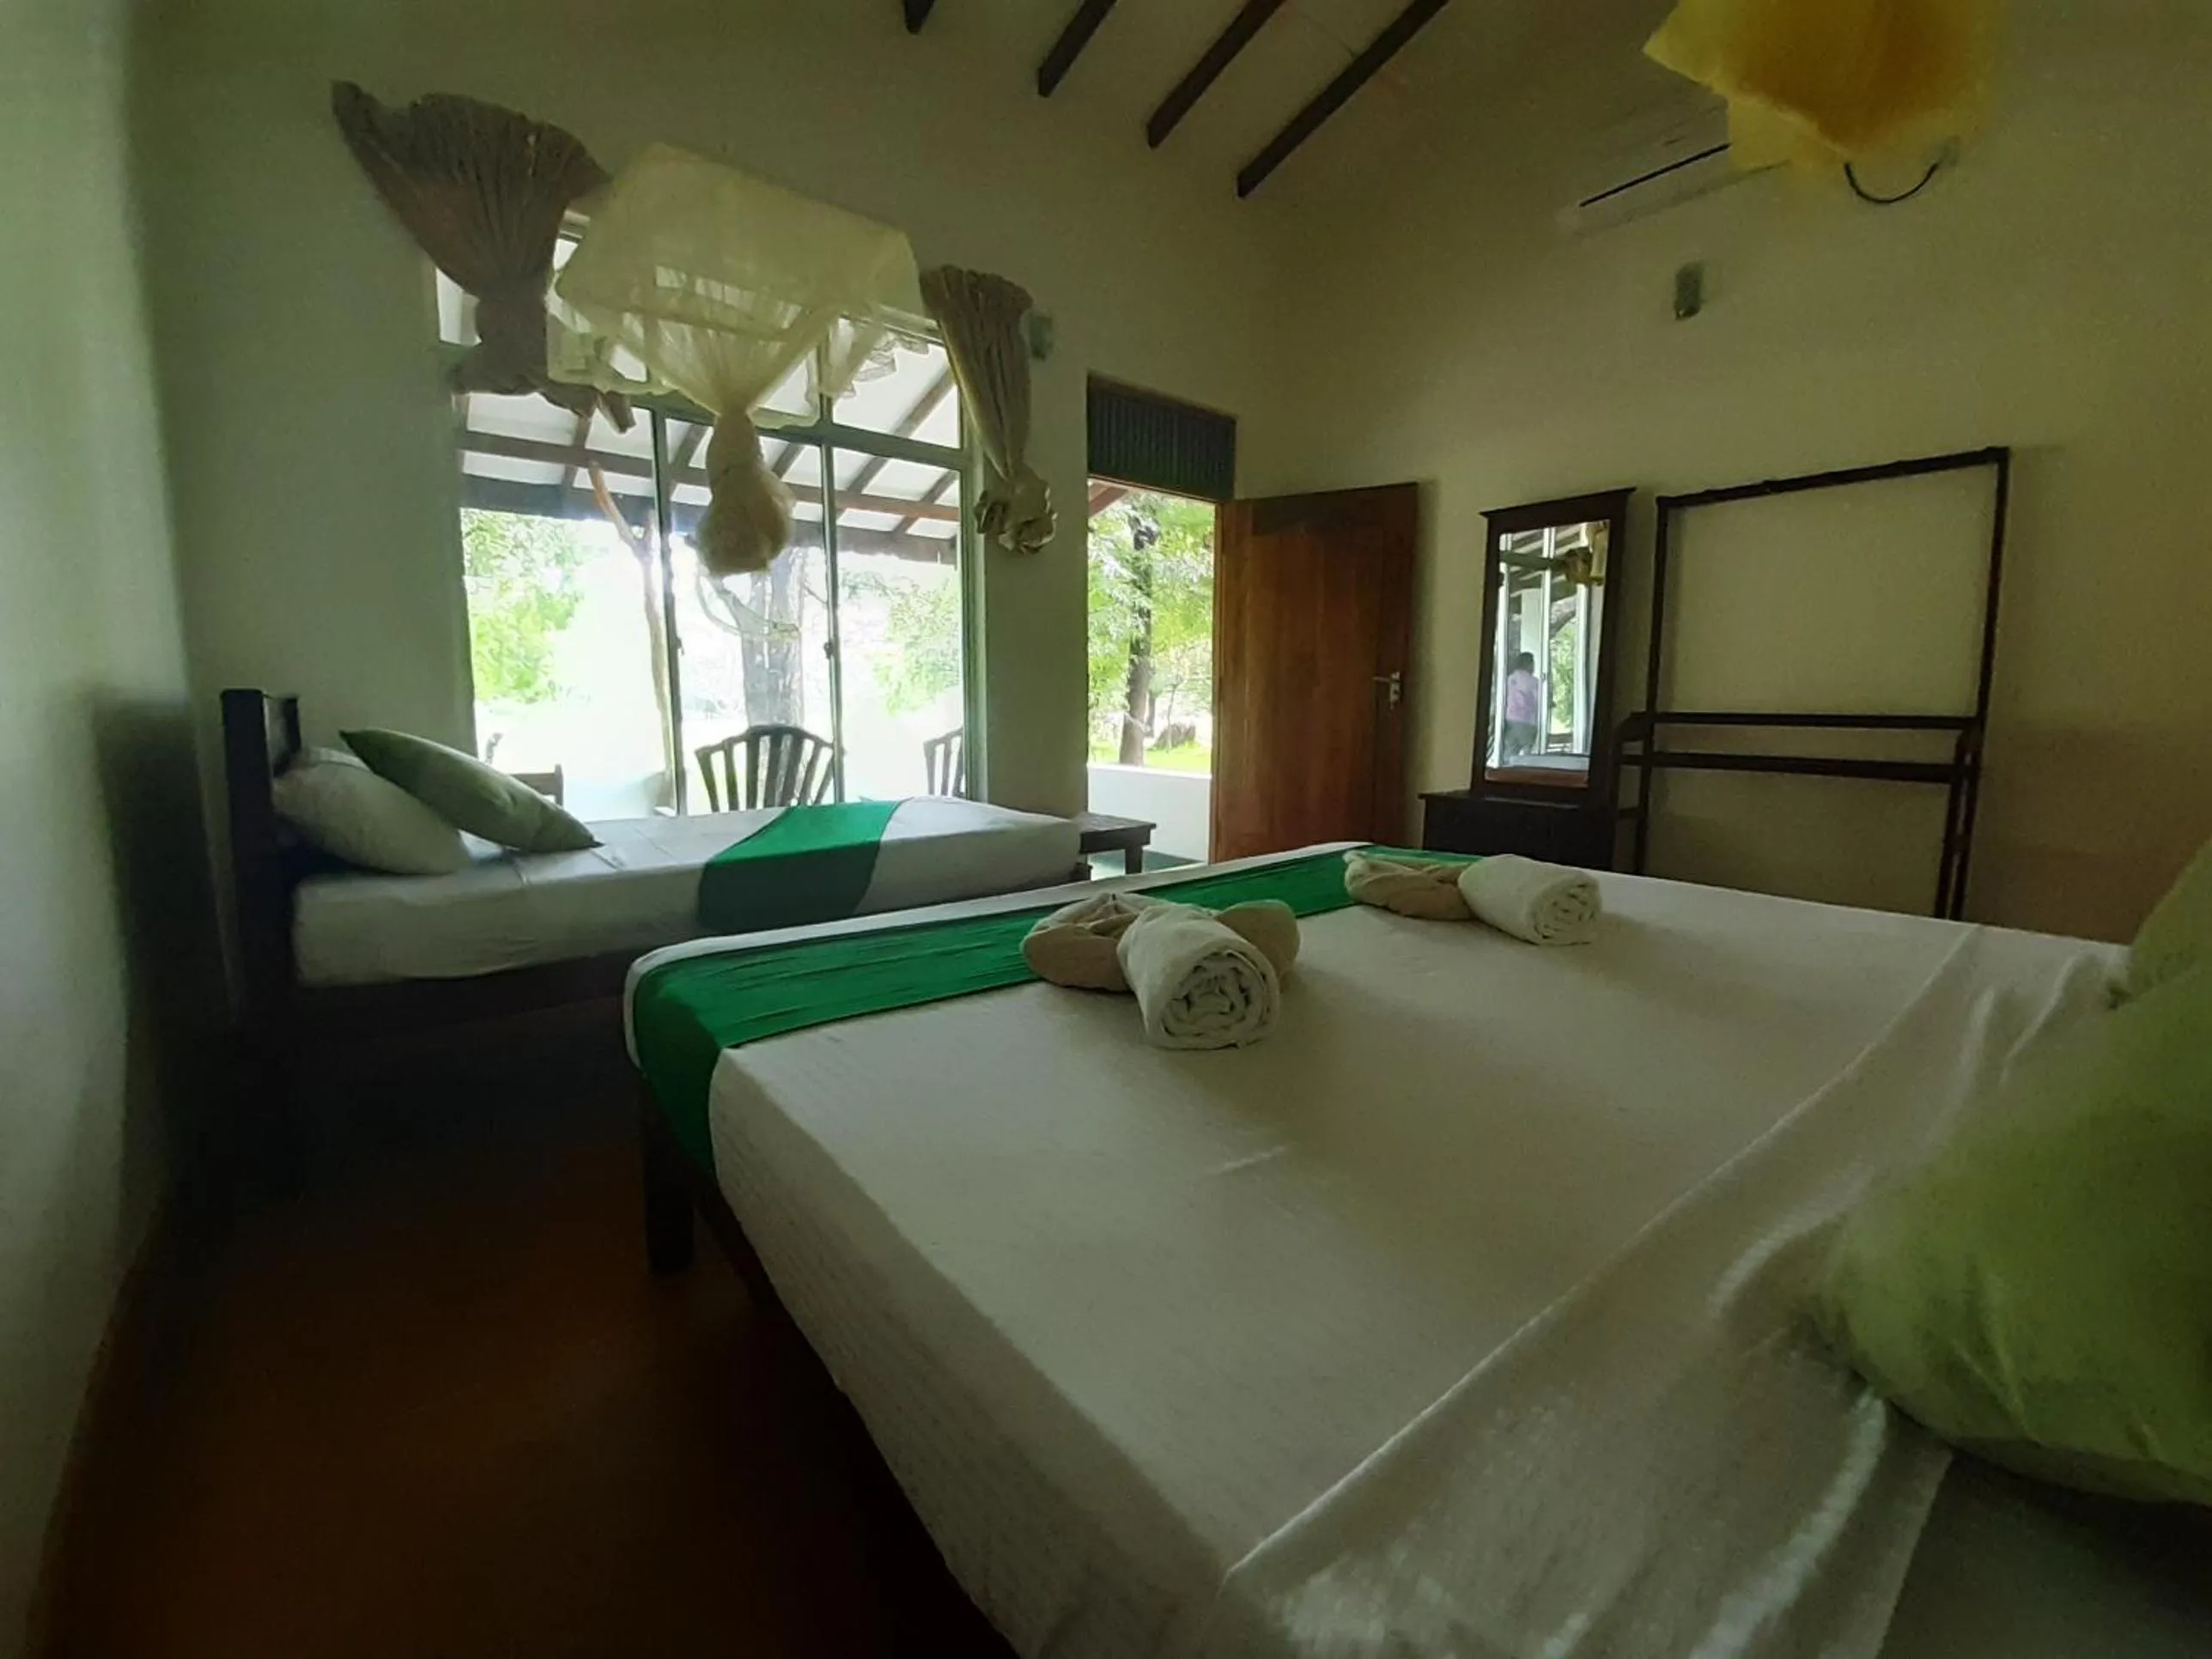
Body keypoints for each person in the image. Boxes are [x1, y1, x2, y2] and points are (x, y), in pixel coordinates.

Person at [1502, 650, 1541, 759]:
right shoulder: (1533, 682)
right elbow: (1538, 700)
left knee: (1509, 753)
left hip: (1510, 720)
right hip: (1527, 722)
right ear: (1529, 664)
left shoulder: (1509, 679)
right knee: (1527, 753)